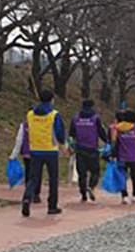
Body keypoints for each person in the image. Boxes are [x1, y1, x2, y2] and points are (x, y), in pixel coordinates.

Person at [20, 89, 66, 217]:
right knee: (53, 179)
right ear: (52, 99)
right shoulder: (54, 115)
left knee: (33, 178)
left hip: (35, 149)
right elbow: (60, 134)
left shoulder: (30, 114)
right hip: (51, 150)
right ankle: (52, 206)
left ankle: (27, 198)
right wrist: (62, 144)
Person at [70, 99, 107, 202]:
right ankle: (91, 186)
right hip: (92, 149)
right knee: (95, 172)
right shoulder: (95, 118)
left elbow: (71, 134)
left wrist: (71, 146)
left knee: (82, 174)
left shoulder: (76, 119)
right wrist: (107, 142)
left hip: (80, 149)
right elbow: (101, 132)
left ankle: (83, 195)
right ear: (92, 106)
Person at [111, 109, 135, 204]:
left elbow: (114, 141)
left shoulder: (118, 129)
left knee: (122, 177)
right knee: (134, 176)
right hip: (134, 157)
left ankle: (124, 196)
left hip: (122, 157)